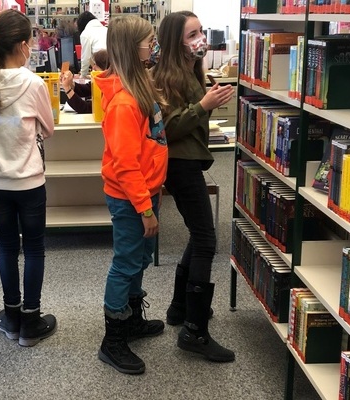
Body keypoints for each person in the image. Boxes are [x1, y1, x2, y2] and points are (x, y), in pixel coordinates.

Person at [151, 11, 235, 362]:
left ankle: (180, 307)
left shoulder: (191, 70)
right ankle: (194, 331)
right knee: (205, 240)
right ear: (175, 41)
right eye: (192, 34)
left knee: (199, 234)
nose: (200, 39)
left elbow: (191, 116)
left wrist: (205, 102)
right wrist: (204, 105)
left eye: (200, 31)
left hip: (189, 160)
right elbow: (168, 128)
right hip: (179, 165)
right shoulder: (164, 76)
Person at [0, 9, 57, 347]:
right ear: (23, 45)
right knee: (34, 248)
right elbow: (49, 128)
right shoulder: (33, 83)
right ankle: (30, 321)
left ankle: (11, 318)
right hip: (29, 182)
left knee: (7, 248)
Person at [93, 15, 168, 375]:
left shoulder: (141, 89)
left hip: (146, 193)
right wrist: (144, 209)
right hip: (130, 199)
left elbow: (150, 145)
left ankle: (132, 318)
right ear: (130, 48)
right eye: (149, 41)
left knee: (140, 258)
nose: (153, 46)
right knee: (126, 263)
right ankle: (113, 340)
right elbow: (124, 165)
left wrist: (153, 194)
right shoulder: (124, 104)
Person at [59, 49, 109, 114]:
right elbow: (85, 89)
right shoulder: (102, 81)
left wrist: (67, 88)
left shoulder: (108, 89)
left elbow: (85, 108)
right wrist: (70, 82)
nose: (93, 68)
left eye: (96, 65)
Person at [76, 11, 107, 78]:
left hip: (101, 65)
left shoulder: (85, 33)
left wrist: (82, 75)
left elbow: (85, 58)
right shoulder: (106, 29)